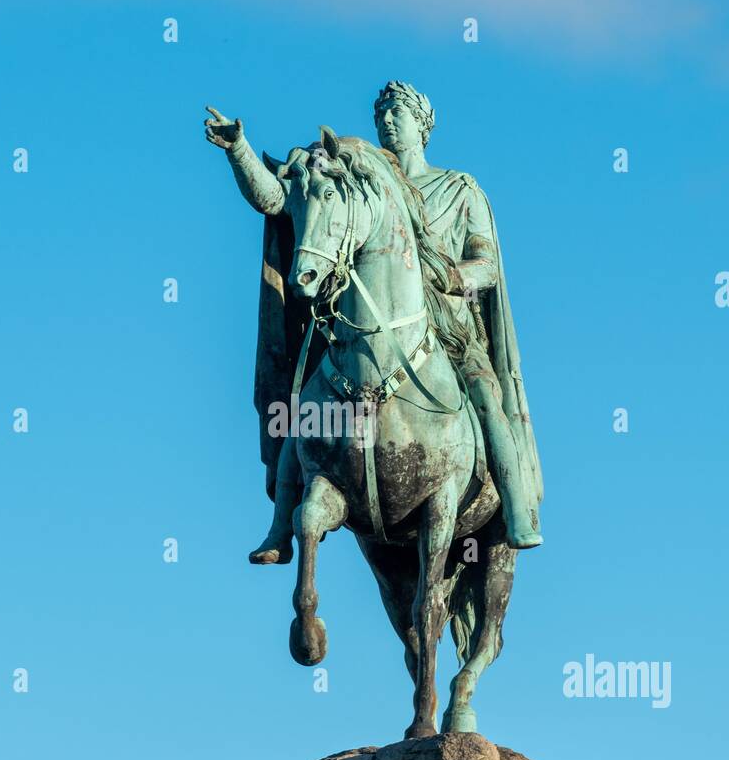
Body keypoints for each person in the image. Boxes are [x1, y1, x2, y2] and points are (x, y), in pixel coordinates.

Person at [204, 81, 543, 560]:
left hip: (446, 328)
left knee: (487, 397)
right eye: (381, 113)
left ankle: (516, 509)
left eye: (398, 113)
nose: (386, 121)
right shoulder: (356, 182)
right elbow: (280, 199)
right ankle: (282, 526)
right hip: (361, 328)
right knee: (305, 406)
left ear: (422, 126)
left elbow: (486, 266)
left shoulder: (459, 189)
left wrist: (448, 275)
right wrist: (239, 149)